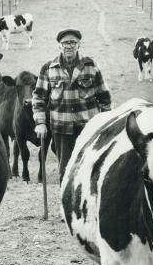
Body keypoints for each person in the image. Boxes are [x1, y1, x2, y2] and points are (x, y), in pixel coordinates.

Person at [32, 28, 112, 183]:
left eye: (72, 42)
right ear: (59, 46)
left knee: (91, 168)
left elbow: (105, 97)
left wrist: (106, 123)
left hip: (89, 128)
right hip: (62, 130)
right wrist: (40, 123)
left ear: (78, 45)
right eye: (65, 43)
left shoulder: (90, 65)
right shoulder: (48, 68)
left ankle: (89, 204)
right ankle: (67, 204)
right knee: (66, 171)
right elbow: (38, 97)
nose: (68, 46)